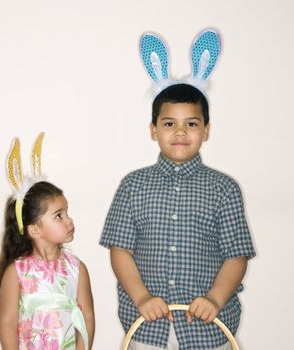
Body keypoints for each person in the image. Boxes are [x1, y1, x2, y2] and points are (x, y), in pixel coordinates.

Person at [100, 30, 255, 350]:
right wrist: (141, 297)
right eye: (169, 123)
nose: (181, 131)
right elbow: (120, 251)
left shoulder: (224, 189)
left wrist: (215, 298)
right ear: (153, 129)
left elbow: (236, 256)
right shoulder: (133, 185)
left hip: (209, 330)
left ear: (206, 130)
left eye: (192, 123)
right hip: (145, 328)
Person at [0, 133, 95, 350]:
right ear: (35, 230)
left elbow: (86, 316)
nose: (69, 220)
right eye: (59, 215)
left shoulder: (77, 269)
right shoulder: (16, 272)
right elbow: (8, 323)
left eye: (67, 213)